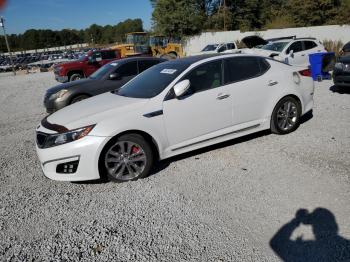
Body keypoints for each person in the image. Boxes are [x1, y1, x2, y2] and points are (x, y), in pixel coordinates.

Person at [270, 208, 350, 262]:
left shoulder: (309, 247)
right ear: (334, 225)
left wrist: (295, 221)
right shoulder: (347, 244)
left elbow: (275, 243)